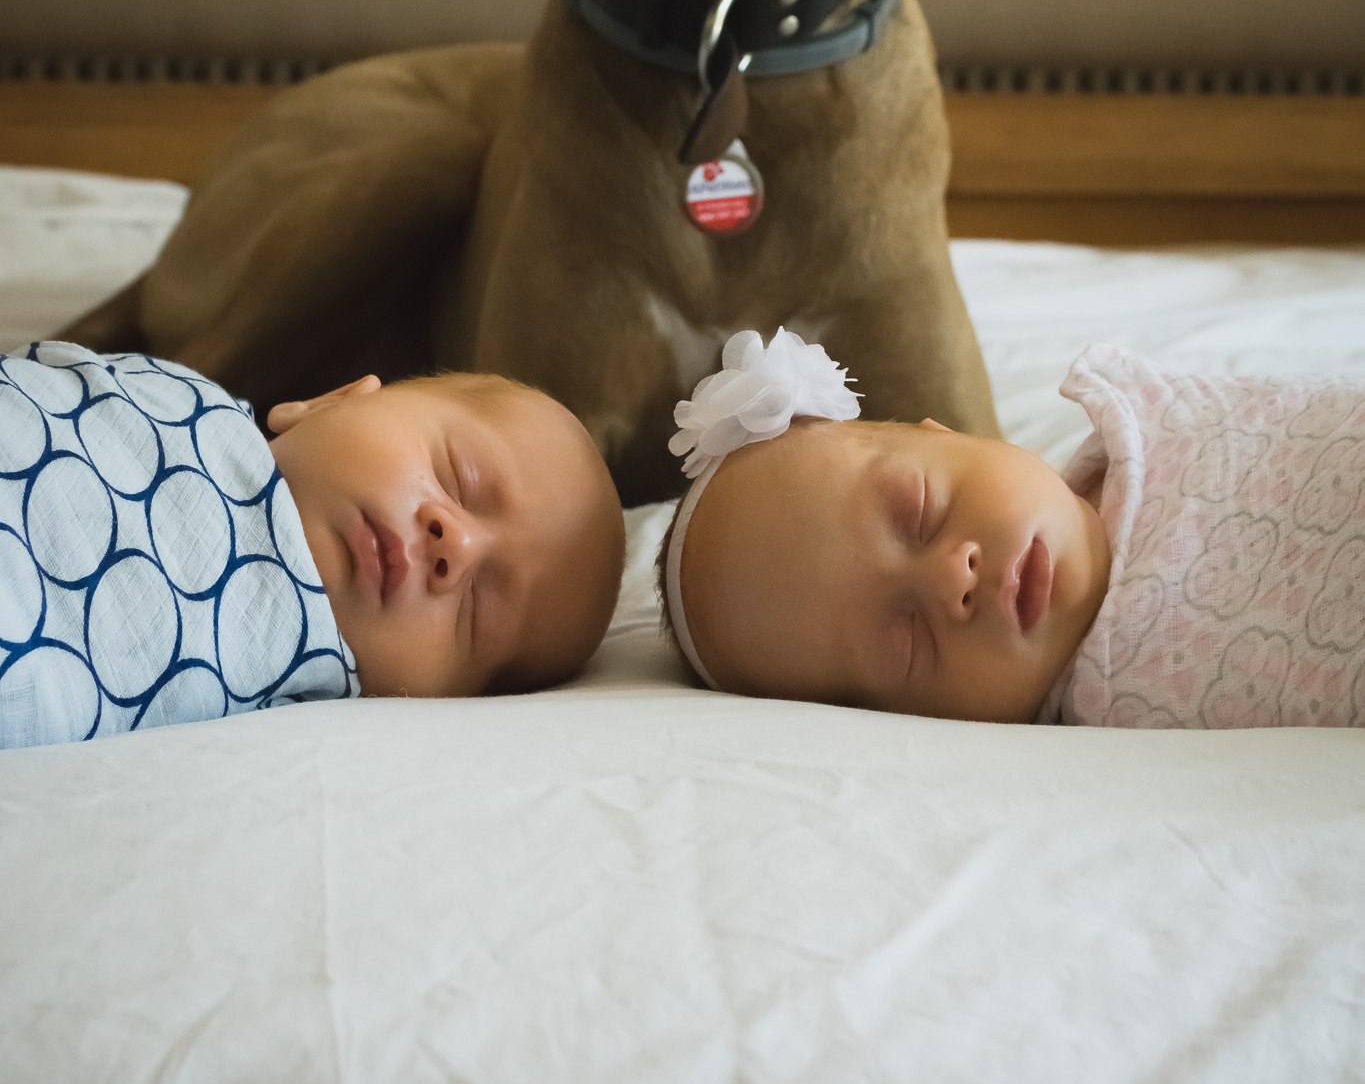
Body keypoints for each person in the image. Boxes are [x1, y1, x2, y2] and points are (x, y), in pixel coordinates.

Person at [658, 329, 1365, 729]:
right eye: (902, 643)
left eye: (919, 510)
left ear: (943, 431)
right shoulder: (1110, 727)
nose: (950, 578)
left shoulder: (1151, 417)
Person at [1, 342, 625, 747]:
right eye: (458, 476)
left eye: (479, 610)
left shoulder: (283, 709)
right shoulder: (162, 392)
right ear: (326, 402)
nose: (455, 545)